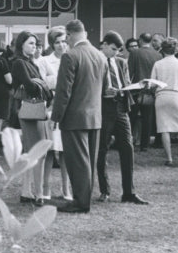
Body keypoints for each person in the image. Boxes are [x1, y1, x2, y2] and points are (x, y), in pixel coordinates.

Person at [51, 19, 109, 214]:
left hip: (74, 117)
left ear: (69, 35)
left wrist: (56, 117)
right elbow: (105, 88)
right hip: (95, 116)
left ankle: (81, 202)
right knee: (89, 161)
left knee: (78, 162)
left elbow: (63, 91)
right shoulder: (100, 56)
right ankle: (85, 199)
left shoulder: (70, 56)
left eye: (66, 37)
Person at [96, 31, 149, 205]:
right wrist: (103, 92)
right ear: (104, 45)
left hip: (121, 108)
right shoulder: (96, 61)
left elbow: (126, 84)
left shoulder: (121, 62)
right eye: (112, 49)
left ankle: (129, 192)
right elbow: (90, 87)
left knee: (127, 148)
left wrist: (138, 86)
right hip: (103, 109)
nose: (115, 53)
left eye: (118, 50)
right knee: (102, 150)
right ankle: (104, 190)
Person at [10, 30, 53, 205]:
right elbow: (32, 87)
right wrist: (41, 84)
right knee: (37, 151)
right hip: (30, 108)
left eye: (35, 44)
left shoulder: (30, 63)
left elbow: (40, 86)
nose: (34, 46)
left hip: (34, 108)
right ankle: (38, 193)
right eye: (30, 43)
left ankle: (27, 191)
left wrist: (40, 84)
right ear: (21, 44)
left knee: (32, 151)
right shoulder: (19, 63)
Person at [36, 27, 71, 201]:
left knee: (66, 150)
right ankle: (45, 188)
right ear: (52, 44)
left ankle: (66, 189)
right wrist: (55, 85)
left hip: (69, 108)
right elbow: (42, 86)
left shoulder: (72, 58)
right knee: (49, 149)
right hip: (50, 108)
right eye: (57, 42)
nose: (61, 45)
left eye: (64, 41)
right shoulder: (44, 61)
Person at [150, 37, 178, 167]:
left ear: (162, 49)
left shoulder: (158, 64)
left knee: (164, 128)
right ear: (176, 49)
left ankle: (169, 158)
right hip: (176, 96)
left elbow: (152, 83)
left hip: (161, 96)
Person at [127, 32, 162, 151]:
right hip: (151, 90)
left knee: (131, 117)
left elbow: (129, 72)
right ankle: (144, 145)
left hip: (136, 89)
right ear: (150, 41)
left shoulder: (135, 53)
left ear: (141, 40)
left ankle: (128, 141)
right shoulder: (158, 55)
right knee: (147, 118)